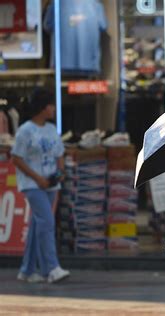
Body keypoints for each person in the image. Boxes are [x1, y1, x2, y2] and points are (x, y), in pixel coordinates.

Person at [11, 88, 70, 283]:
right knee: (46, 222)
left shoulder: (52, 129)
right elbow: (17, 158)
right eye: (51, 105)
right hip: (32, 184)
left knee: (38, 224)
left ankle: (27, 270)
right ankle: (51, 268)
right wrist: (37, 178)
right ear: (43, 108)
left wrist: (59, 174)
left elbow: (59, 154)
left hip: (51, 184)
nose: (54, 109)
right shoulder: (25, 130)